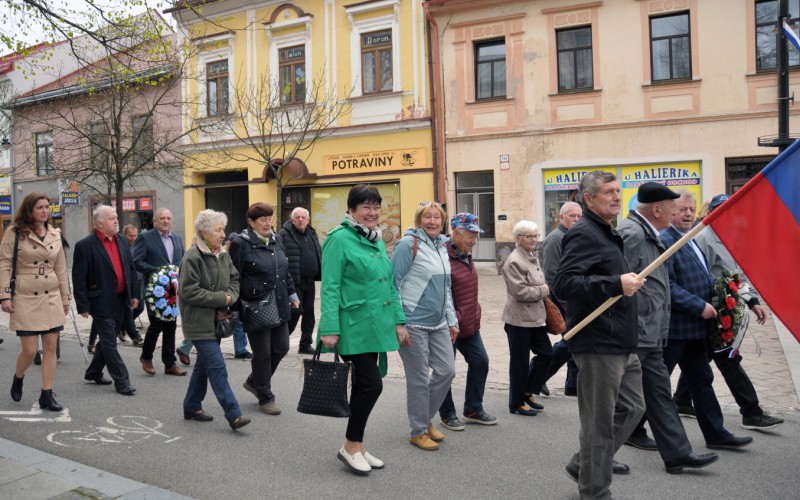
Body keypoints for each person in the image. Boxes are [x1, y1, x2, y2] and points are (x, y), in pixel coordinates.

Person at [555, 171, 645, 499]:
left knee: (633, 408)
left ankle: (584, 464)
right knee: (599, 423)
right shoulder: (584, 233)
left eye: (618, 191)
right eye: (608, 192)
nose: (617, 197)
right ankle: (595, 490)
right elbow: (563, 284)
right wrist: (615, 283)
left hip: (620, 338)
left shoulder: (608, 231)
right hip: (597, 342)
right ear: (588, 199)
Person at [617, 182, 719, 474]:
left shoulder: (651, 233)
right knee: (621, 400)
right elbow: (618, 284)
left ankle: (677, 454)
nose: (678, 211)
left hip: (652, 332)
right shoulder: (632, 234)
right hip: (635, 332)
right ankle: (595, 456)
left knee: (660, 395)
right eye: (674, 206)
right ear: (657, 209)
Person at [318, 184, 408, 474]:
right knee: (371, 385)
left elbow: (389, 284)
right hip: (352, 326)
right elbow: (330, 288)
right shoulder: (338, 239)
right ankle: (350, 444)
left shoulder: (377, 239)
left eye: (376, 206)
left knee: (362, 385)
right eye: (365, 207)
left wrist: (399, 320)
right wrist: (329, 328)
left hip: (376, 326)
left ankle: (356, 445)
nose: (372, 212)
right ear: (352, 210)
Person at [674, 194, 784, 431]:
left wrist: (753, 301)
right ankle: (751, 411)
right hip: (710, 312)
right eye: (721, 210)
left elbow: (736, 276)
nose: (727, 214)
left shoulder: (733, 238)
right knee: (728, 359)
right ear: (711, 212)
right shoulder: (703, 237)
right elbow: (699, 276)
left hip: (724, 309)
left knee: (703, 359)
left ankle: (681, 400)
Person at [659, 191, 753, 450]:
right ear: (670, 212)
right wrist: (698, 305)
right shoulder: (665, 241)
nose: (688, 214)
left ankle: (716, 434)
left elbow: (705, 277)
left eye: (691, 209)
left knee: (702, 380)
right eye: (682, 210)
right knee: (657, 381)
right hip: (675, 328)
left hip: (695, 329)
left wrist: (726, 291)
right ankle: (632, 428)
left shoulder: (690, 240)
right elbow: (668, 286)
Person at [392, 201, 458, 451]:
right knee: (418, 379)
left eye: (437, 218)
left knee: (446, 371)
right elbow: (393, 284)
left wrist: (452, 319)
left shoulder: (443, 245)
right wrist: (399, 323)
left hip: (439, 322)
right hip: (413, 323)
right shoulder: (408, 244)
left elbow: (446, 288)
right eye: (427, 217)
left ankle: (424, 419)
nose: (432, 222)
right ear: (419, 220)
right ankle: (418, 430)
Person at [178, 209, 250, 430]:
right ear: (203, 232)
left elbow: (235, 279)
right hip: (198, 322)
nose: (222, 234)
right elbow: (188, 291)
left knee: (203, 366)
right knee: (217, 366)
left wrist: (231, 295)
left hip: (218, 320)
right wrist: (222, 297)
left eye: (223, 229)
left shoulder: (223, 253)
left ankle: (191, 405)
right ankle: (234, 414)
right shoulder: (192, 256)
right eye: (218, 230)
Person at [0, 192, 70, 411]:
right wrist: (4, 296)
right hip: (25, 296)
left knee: (50, 348)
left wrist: (66, 298)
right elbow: (3, 265)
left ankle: (46, 394)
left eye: (47, 207)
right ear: (29, 209)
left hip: (51, 295)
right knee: (30, 351)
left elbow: (60, 268)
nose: (45, 211)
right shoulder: (15, 232)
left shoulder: (55, 233)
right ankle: (19, 376)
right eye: (40, 207)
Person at [229, 203, 299, 415]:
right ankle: (265, 396)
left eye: (270, 218)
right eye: (262, 219)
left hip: (278, 302)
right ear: (251, 222)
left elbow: (284, 271)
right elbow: (234, 277)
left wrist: (293, 294)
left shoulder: (277, 240)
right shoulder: (241, 244)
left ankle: (254, 381)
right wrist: (234, 308)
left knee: (281, 347)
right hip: (256, 305)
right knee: (263, 354)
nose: (268, 223)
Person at [437, 213, 497, 431]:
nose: (474, 240)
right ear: (455, 233)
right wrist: (454, 318)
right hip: (448, 325)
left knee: (481, 361)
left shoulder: (465, 254)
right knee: (446, 371)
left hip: (469, 323)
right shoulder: (443, 257)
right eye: (470, 235)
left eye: (475, 235)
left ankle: (473, 409)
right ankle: (447, 413)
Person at [73, 205, 139, 396]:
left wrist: (134, 294)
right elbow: (79, 279)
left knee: (107, 339)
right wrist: (83, 305)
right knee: (110, 342)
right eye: (112, 218)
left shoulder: (122, 241)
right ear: (100, 223)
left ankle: (93, 371)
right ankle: (122, 381)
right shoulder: (85, 245)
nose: (117, 220)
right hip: (100, 301)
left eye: (116, 217)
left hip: (120, 299)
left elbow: (131, 270)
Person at [502, 220, 552, 416]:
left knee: (547, 354)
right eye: (528, 236)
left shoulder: (531, 255)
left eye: (535, 235)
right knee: (520, 362)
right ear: (517, 239)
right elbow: (520, 292)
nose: (533, 239)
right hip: (518, 320)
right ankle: (516, 403)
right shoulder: (514, 260)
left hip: (536, 318)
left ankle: (528, 390)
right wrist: (544, 289)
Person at [133, 208, 186, 376]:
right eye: (162, 218)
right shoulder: (145, 237)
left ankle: (169, 363)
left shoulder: (177, 239)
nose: (166, 221)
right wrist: (158, 271)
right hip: (154, 289)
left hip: (172, 291)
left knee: (171, 325)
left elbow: (182, 262)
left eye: (169, 218)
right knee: (156, 324)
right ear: (155, 221)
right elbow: (137, 261)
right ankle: (146, 357)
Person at [541, 201, 582, 397]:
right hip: (563, 302)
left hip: (573, 300)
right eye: (572, 216)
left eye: (579, 216)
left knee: (575, 342)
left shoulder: (572, 237)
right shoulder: (556, 239)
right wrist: (567, 304)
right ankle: (537, 375)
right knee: (570, 341)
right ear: (561, 218)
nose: (576, 219)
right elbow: (551, 276)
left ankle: (572, 385)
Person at [278, 207, 321, 355]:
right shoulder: (284, 234)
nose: (301, 220)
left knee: (309, 314)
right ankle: (280, 341)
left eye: (304, 217)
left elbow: (317, 253)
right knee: (295, 312)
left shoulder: (312, 233)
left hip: (310, 281)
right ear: (292, 219)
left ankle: (305, 344)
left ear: (308, 220)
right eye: (297, 217)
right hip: (293, 281)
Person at [225, 231, 251, 360]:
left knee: (238, 321)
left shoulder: (231, 252)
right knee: (237, 321)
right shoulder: (229, 253)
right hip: (233, 294)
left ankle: (241, 349)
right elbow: (234, 275)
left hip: (238, 293)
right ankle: (240, 350)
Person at [120, 224, 144, 347]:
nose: (133, 238)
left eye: (135, 235)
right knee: (129, 309)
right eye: (131, 236)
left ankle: (122, 326)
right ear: (124, 235)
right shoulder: (122, 246)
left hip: (139, 280)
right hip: (127, 283)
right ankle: (135, 335)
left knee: (140, 307)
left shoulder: (138, 245)